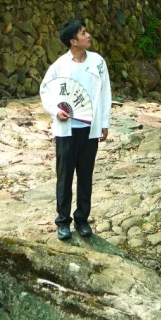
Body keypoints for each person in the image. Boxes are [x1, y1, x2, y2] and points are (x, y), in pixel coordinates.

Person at [39, 17, 111, 241]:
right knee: (64, 176)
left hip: (89, 129)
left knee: (85, 175)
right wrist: (55, 110)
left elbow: (106, 92)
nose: (88, 35)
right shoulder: (60, 66)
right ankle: (63, 221)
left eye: (86, 31)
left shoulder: (97, 62)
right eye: (82, 33)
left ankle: (82, 219)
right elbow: (45, 90)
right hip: (66, 129)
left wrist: (104, 122)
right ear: (73, 41)